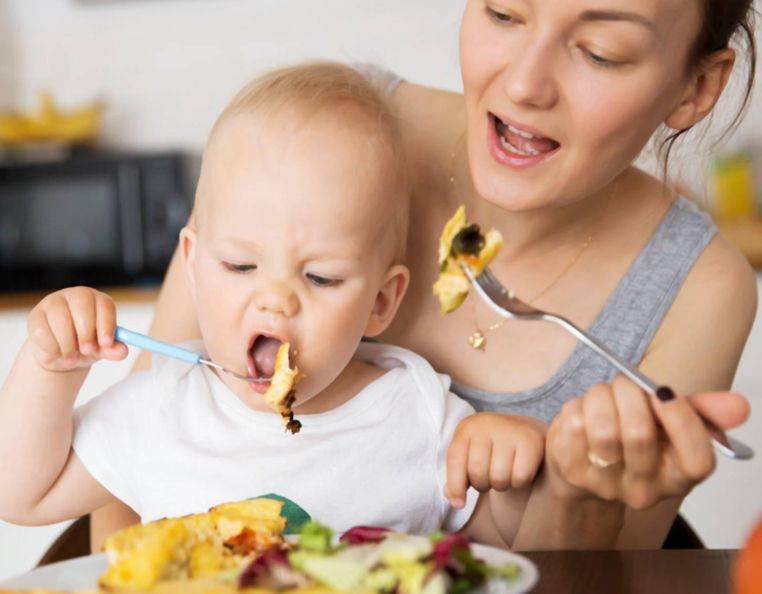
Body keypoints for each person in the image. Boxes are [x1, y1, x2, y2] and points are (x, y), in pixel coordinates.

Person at [92, 0, 758, 551]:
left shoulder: (698, 287)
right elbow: (130, 473)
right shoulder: (320, 133)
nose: (524, 84)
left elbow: (584, 571)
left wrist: (575, 496)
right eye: (503, 13)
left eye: (600, 51)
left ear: (697, 88)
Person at [0, 63, 548, 546]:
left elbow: (502, 550)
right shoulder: (166, 407)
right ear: (191, 264)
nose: (276, 301)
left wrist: (506, 470)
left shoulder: (418, 415)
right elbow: (21, 495)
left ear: (381, 301)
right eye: (241, 267)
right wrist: (51, 368)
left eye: (321, 277)